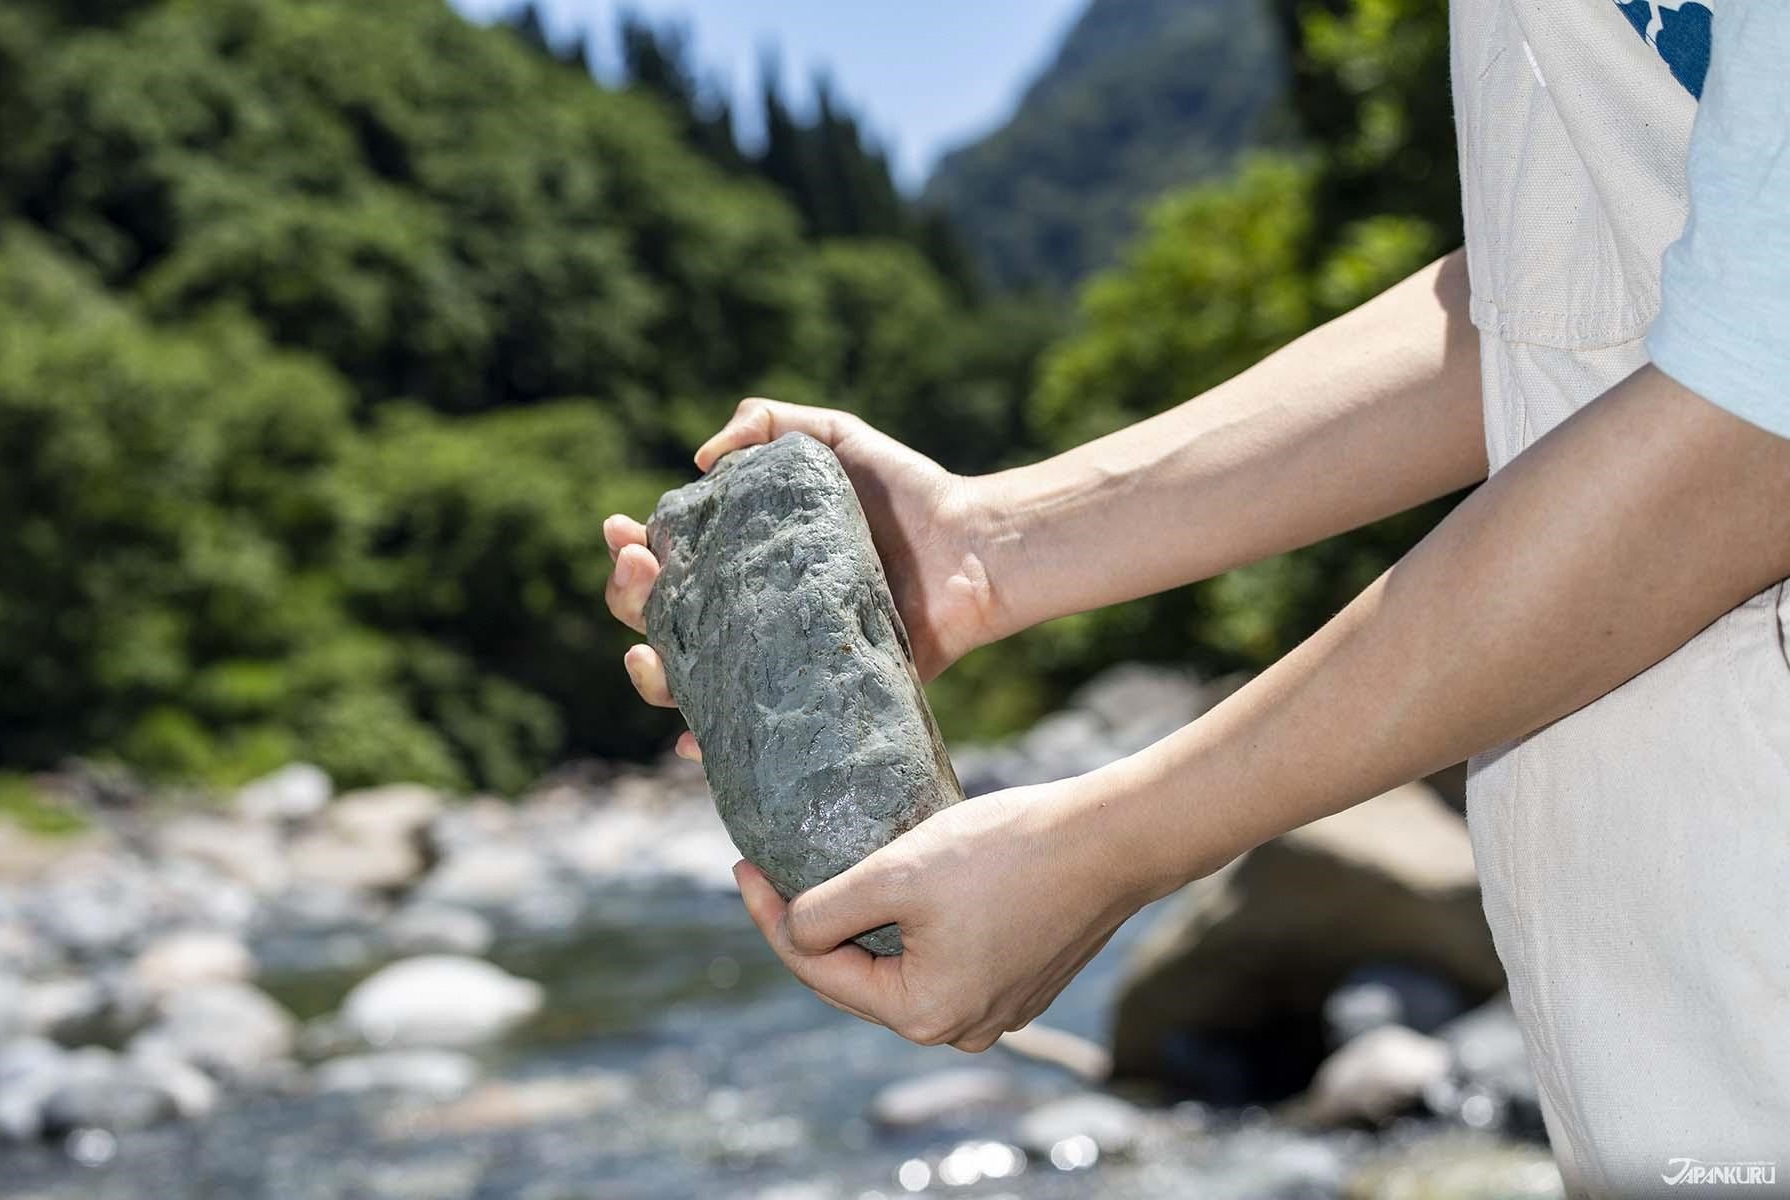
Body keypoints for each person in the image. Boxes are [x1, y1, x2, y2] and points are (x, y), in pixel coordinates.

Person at [605, 2, 1789, 1191]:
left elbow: (1752, 431)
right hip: (1672, 991)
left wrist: (1117, 842)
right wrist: (989, 547)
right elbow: (1587, 278)